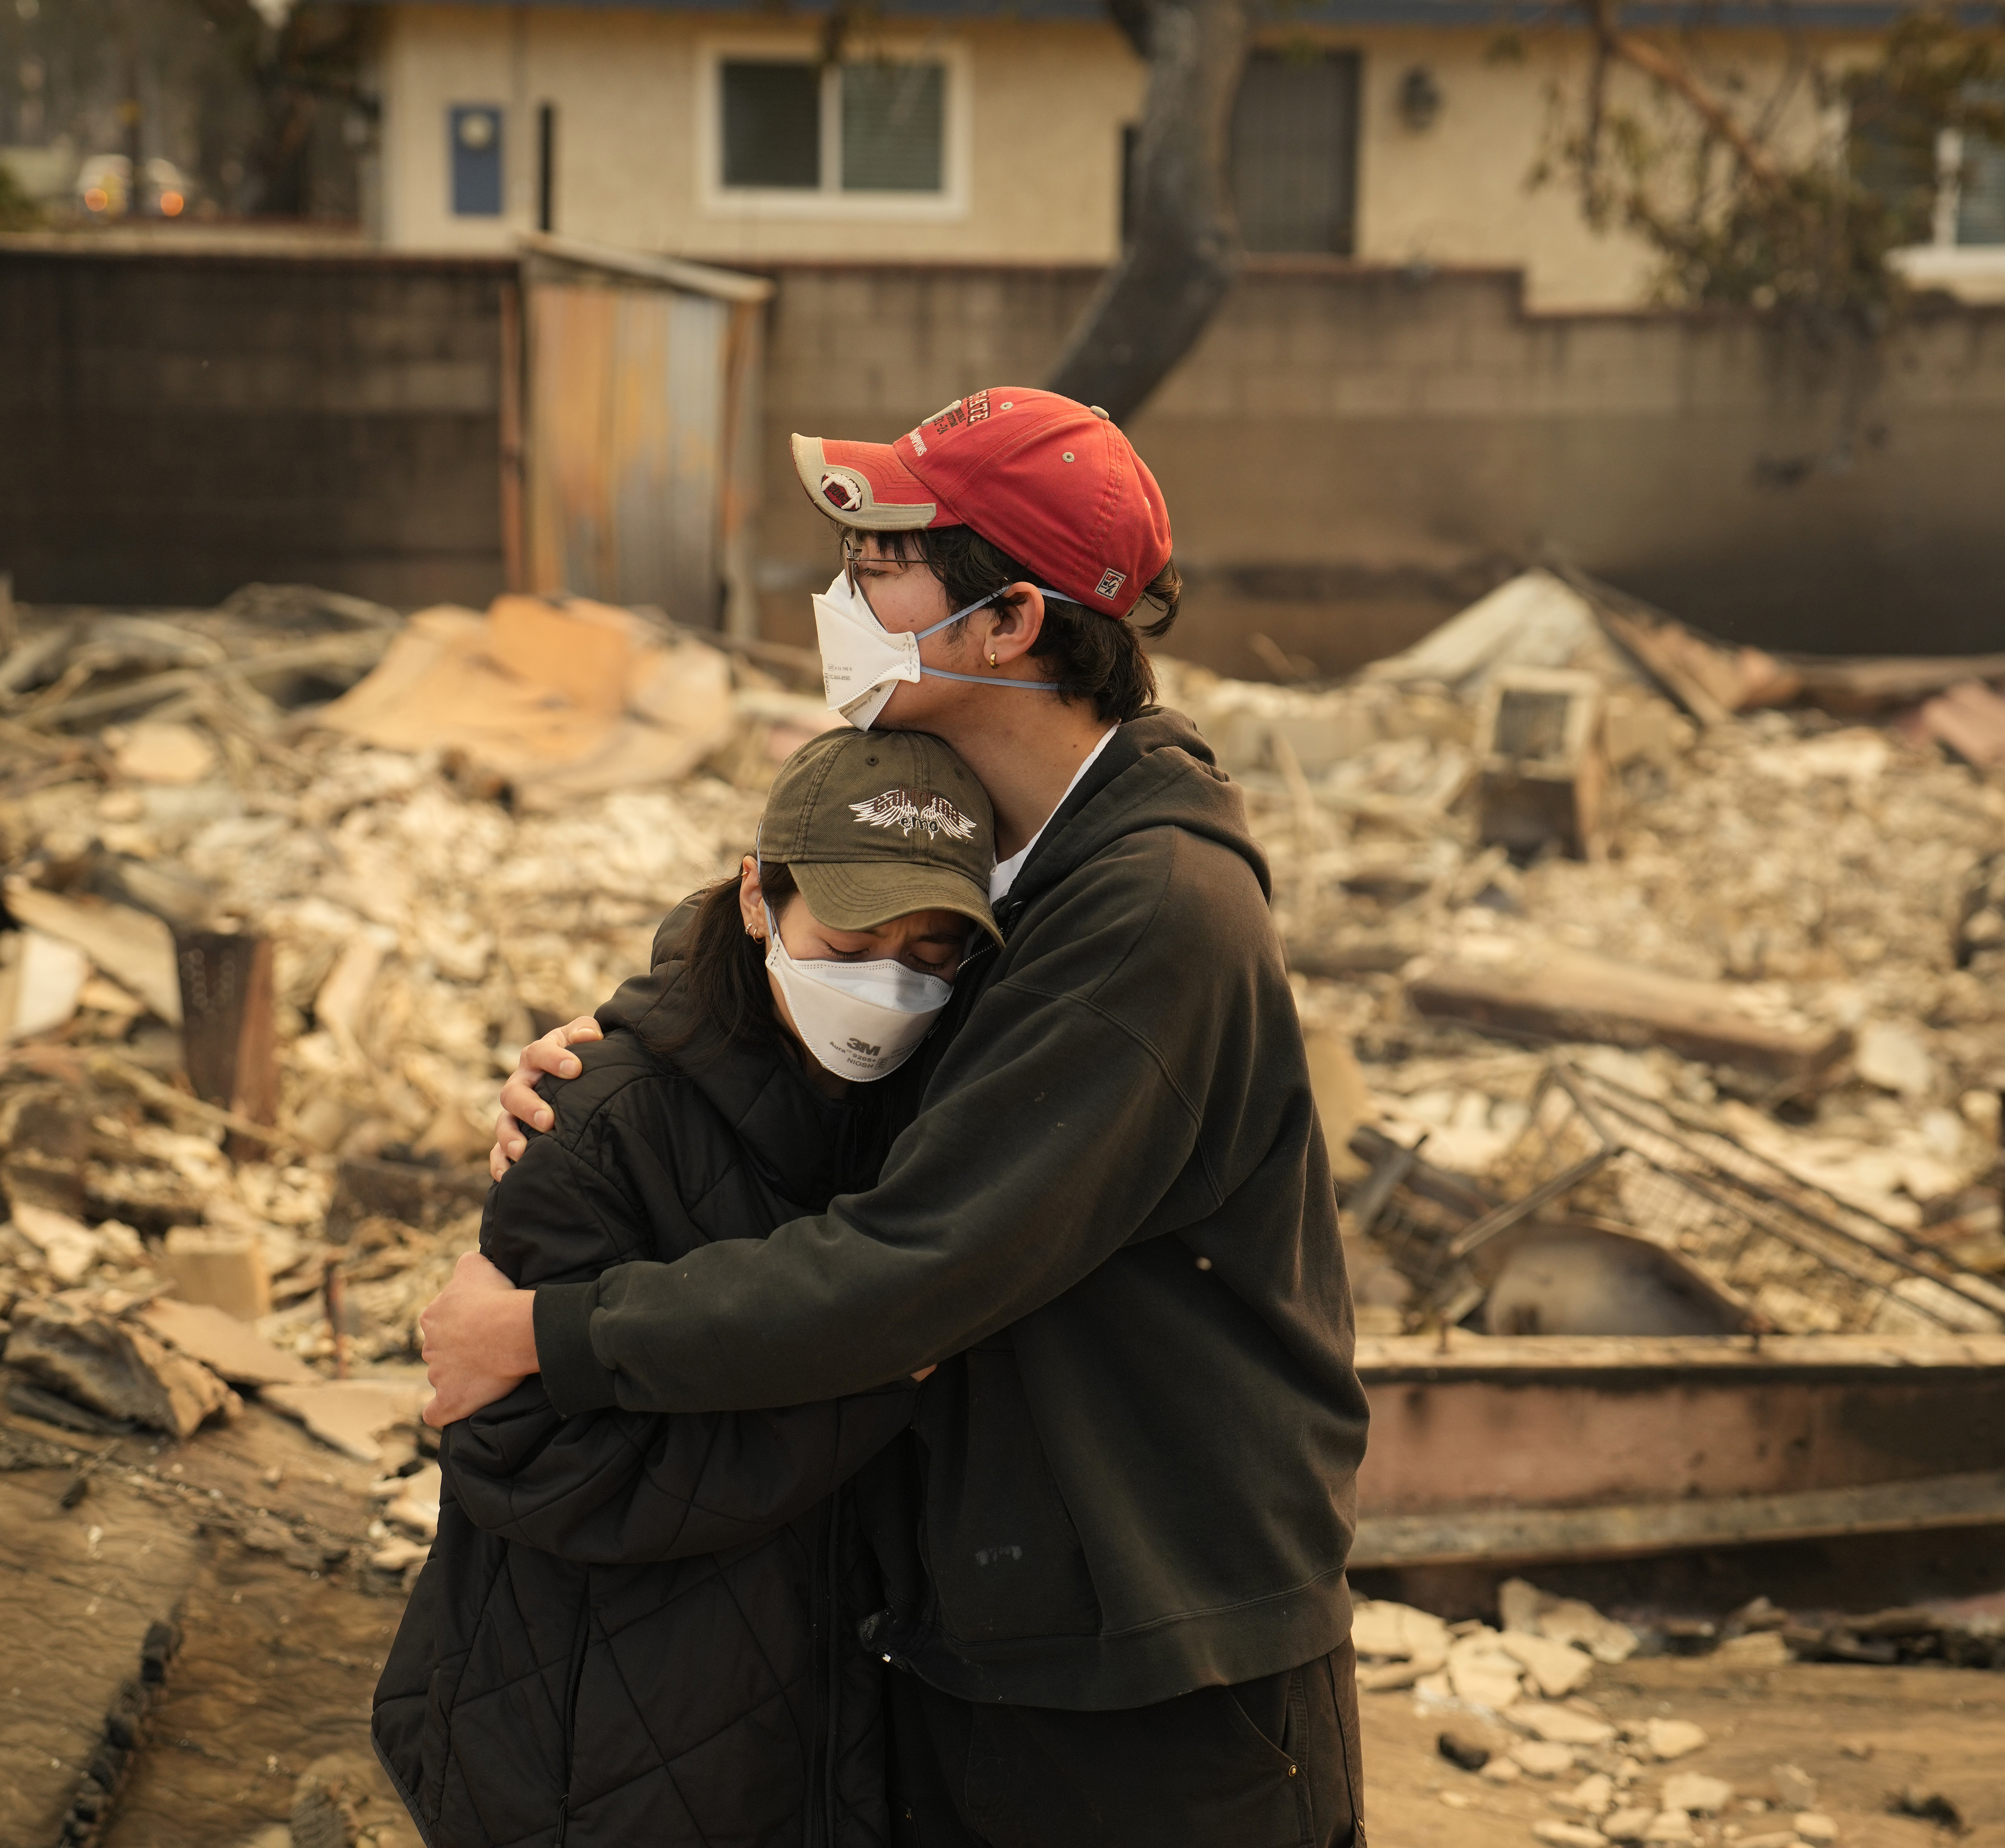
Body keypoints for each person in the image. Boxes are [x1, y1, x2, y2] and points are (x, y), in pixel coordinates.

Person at [419, 387, 1372, 1846]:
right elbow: (812, 909)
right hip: (1004, 1615)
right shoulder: (1009, 849)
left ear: (1009, 626)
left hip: (1156, 1659)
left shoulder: (1148, 914)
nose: (842, 599)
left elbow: (913, 1267)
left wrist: (547, 1336)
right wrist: (629, 1051)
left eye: (882, 566)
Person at [375, 728, 1002, 1848]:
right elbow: (525, 1455)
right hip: (593, 1747)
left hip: (808, 1738)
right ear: (759, 895)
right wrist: (869, 1387)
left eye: (933, 948)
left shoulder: (929, 1117)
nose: (892, 981)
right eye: (853, 936)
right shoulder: (597, 1118)